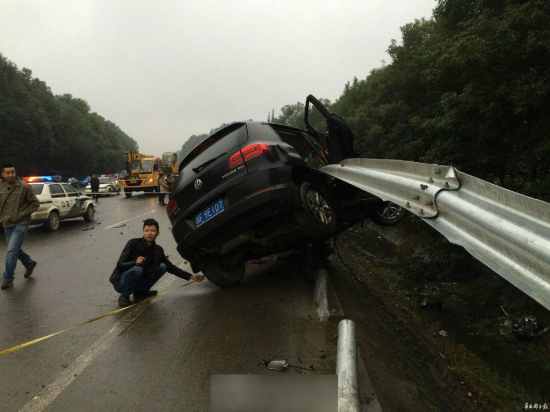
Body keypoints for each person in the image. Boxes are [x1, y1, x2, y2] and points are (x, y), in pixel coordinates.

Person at [109, 218, 204, 307]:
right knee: (138, 269)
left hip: (137, 281)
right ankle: (124, 296)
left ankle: (141, 291)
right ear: (143, 232)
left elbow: (170, 267)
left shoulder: (158, 250)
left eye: (152, 231)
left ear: (157, 233)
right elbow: (120, 265)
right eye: (146, 231)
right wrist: (135, 262)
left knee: (163, 266)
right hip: (121, 282)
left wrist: (191, 276)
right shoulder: (133, 244)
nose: (149, 233)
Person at [0, 164, 40, 289]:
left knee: (11, 251)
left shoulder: (24, 187)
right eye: (7, 173)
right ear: (3, 174)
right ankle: (29, 264)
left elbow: (35, 204)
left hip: (21, 223)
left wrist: (21, 214)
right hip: (7, 223)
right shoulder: (1, 187)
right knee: (15, 250)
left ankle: (8, 279)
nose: (11, 175)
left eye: (12, 172)